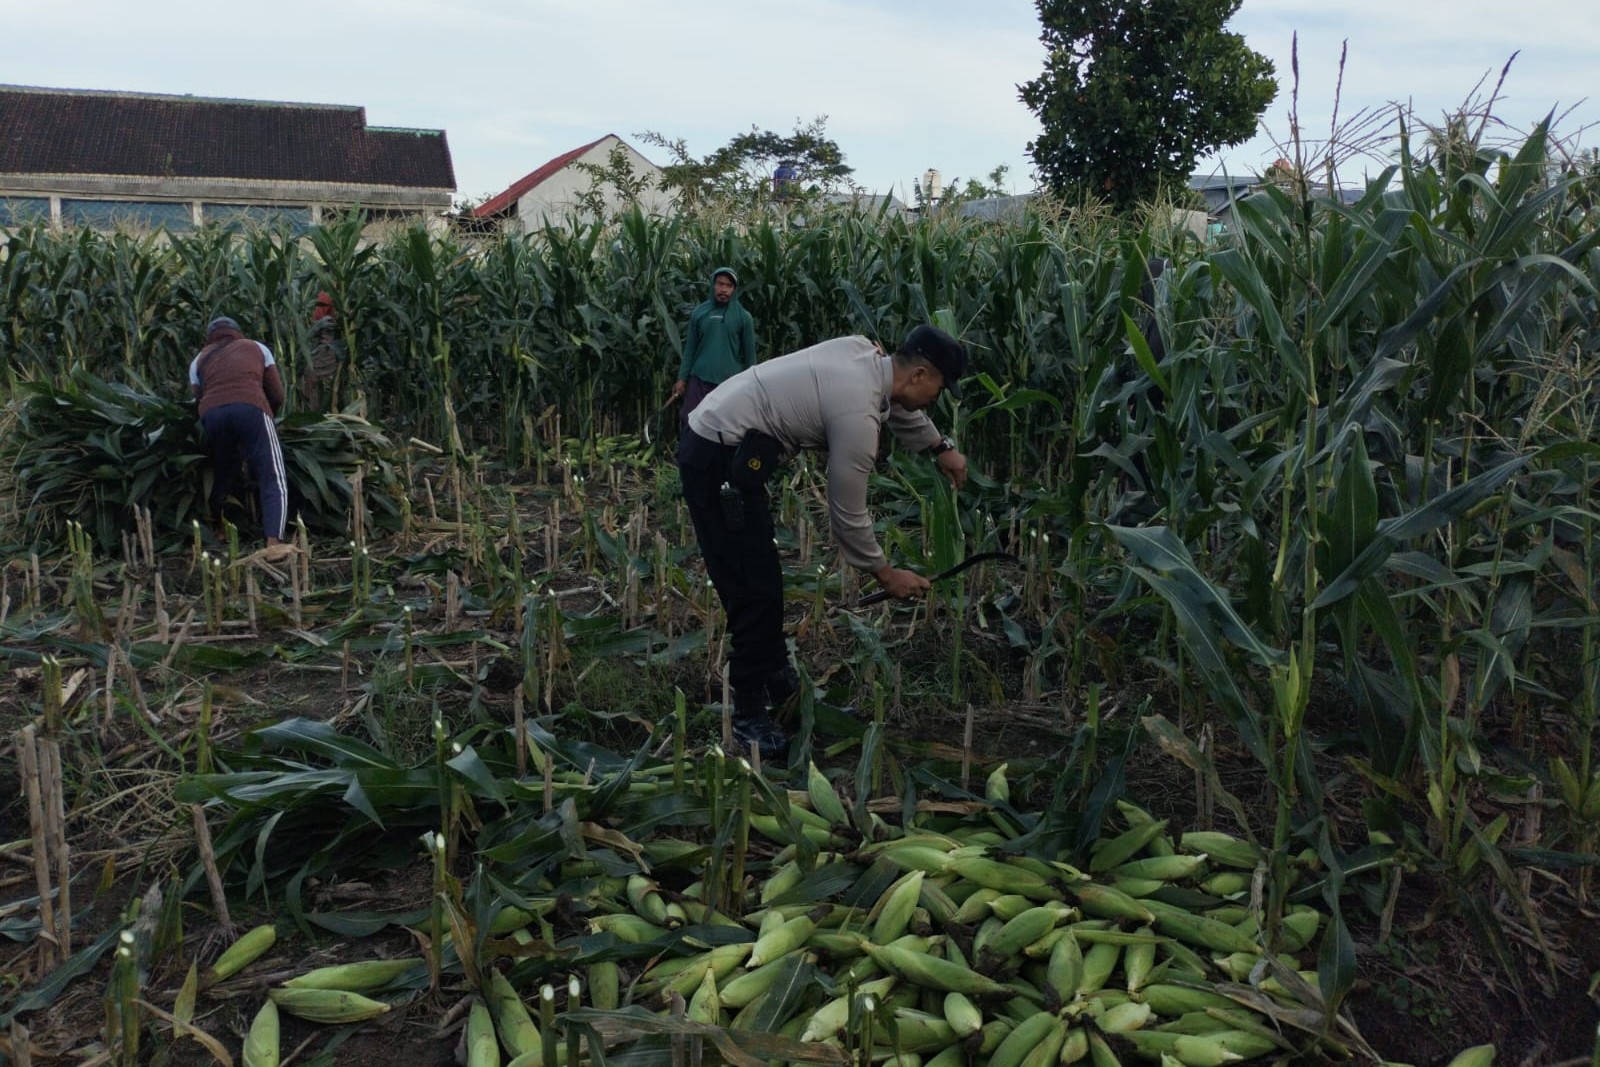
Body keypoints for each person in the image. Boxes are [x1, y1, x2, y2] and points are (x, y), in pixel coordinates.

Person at [677, 324, 970, 757]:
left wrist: (939, 446)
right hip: (716, 456)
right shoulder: (858, 418)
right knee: (751, 589)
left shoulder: (863, 355)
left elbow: (896, 402)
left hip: (730, 445)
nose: (935, 398)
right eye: (939, 389)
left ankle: (780, 685)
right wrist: (885, 574)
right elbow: (847, 516)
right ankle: (748, 715)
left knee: (764, 580)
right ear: (920, 375)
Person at [189, 316, 291, 555]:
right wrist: (269, 418)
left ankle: (219, 530)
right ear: (237, 332)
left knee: (223, 472)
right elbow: (278, 395)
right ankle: (274, 542)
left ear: (210, 337)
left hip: (211, 415)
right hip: (251, 407)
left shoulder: (198, 360)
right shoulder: (257, 347)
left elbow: (198, 399)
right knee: (272, 475)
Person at [672, 267, 757, 427]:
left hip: (729, 381)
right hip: (699, 377)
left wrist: (751, 385)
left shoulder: (744, 317)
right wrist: (682, 378)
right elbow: (690, 349)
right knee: (688, 418)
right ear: (713, 285)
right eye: (720, 284)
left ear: (734, 289)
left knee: (724, 425)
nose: (723, 289)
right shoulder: (700, 313)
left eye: (729, 286)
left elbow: (750, 356)